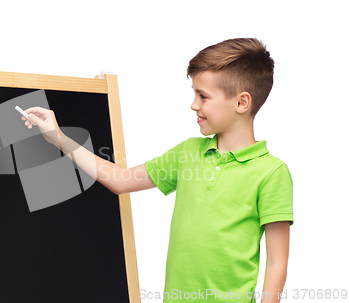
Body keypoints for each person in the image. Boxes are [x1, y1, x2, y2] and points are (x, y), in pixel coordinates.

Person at [20, 37, 293, 303]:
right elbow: (121, 180)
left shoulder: (271, 173)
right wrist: (58, 138)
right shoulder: (188, 152)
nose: (194, 104)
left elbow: (277, 264)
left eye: (203, 96)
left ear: (241, 103)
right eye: (194, 93)